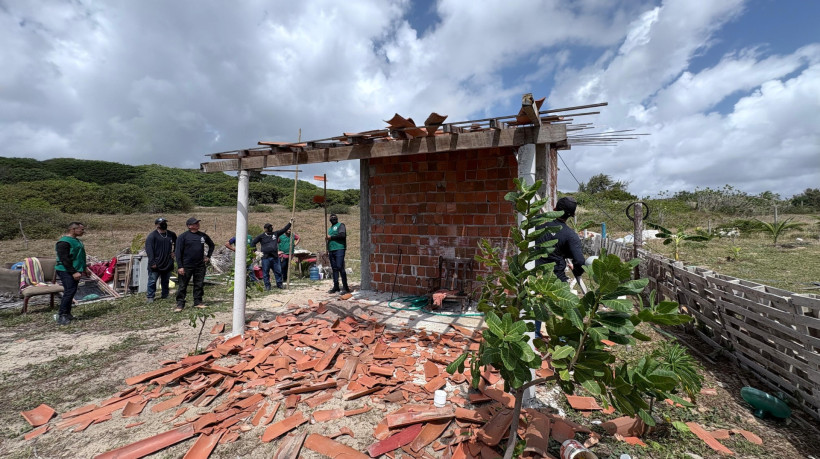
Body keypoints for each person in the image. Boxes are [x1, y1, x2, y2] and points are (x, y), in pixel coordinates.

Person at [534, 197, 586, 337]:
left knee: (537, 307)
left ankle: (536, 338)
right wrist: (576, 269)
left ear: (555, 209)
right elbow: (580, 261)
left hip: (536, 276)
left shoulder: (538, 225)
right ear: (571, 215)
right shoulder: (570, 235)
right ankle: (561, 343)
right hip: (556, 278)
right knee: (563, 310)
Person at [54, 222, 92, 325]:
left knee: (72, 291)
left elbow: (81, 256)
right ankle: (62, 315)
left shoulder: (78, 241)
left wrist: (84, 268)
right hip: (65, 270)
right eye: (81, 229)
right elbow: (64, 259)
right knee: (69, 291)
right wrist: (73, 272)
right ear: (73, 229)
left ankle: (68, 313)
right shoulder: (63, 242)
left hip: (76, 269)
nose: (83, 231)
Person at [174, 217, 215, 312]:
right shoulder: (183, 237)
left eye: (198, 223)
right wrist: (180, 266)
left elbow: (211, 245)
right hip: (186, 265)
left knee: (199, 284)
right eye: (195, 223)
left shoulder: (202, 236)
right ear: (189, 226)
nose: (197, 225)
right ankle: (180, 304)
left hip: (200, 265)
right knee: (183, 285)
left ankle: (198, 302)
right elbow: (178, 252)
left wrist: (208, 256)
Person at [251, 220, 293, 290]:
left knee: (278, 271)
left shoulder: (275, 234)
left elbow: (284, 229)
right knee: (265, 273)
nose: (271, 228)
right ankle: (267, 286)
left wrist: (290, 223)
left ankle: (279, 285)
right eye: (269, 227)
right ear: (265, 229)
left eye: (271, 227)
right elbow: (253, 243)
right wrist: (256, 252)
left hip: (275, 257)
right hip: (265, 258)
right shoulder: (261, 236)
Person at [145, 217, 177, 303]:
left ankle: (165, 294)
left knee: (165, 280)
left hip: (167, 262)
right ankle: (150, 296)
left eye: (164, 222)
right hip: (156, 263)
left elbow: (177, 243)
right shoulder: (152, 236)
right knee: (152, 281)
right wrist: (152, 262)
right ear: (156, 225)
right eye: (161, 223)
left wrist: (174, 252)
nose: (164, 224)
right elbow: (149, 250)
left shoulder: (171, 234)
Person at [326, 213, 350, 294]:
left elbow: (342, 235)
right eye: (331, 217)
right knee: (334, 268)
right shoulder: (330, 229)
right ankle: (336, 286)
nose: (333, 218)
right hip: (331, 249)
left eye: (334, 217)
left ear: (337, 218)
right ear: (329, 219)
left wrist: (331, 237)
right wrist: (327, 248)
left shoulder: (341, 225)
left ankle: (345, 287)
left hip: (339, 248)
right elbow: (328, 239)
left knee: (340, 267)